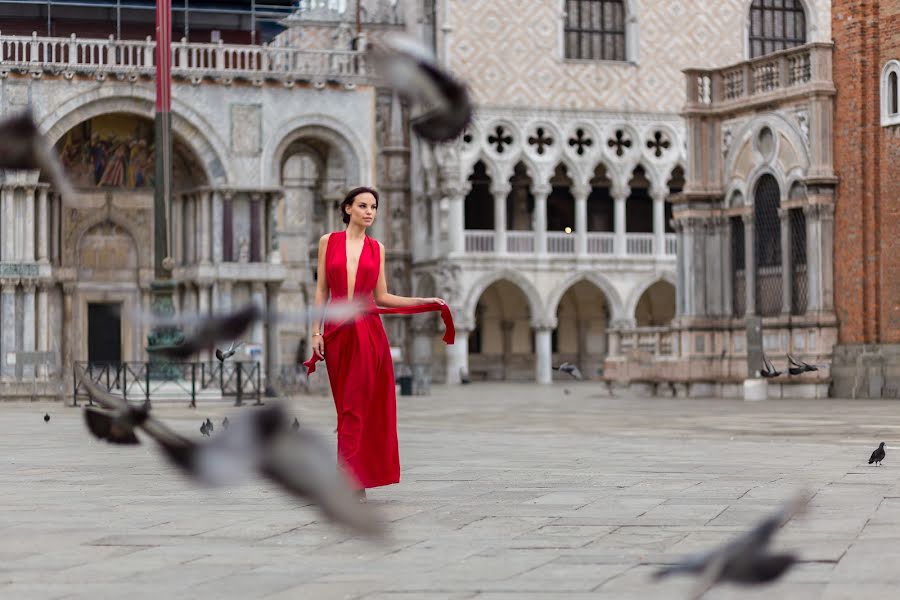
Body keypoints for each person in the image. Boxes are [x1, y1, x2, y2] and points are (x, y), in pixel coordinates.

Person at [305, 186, 454, 502]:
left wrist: (424, 301)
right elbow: (320, 291)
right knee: (344, 405)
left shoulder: (378, 248)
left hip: (368, 332)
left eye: (373, 206)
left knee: (357, 405)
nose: (369, 211)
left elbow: (383, 296)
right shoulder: (327, 242)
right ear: (347, 209)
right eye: (362, 205)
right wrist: (315, 332)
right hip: (335, 329)